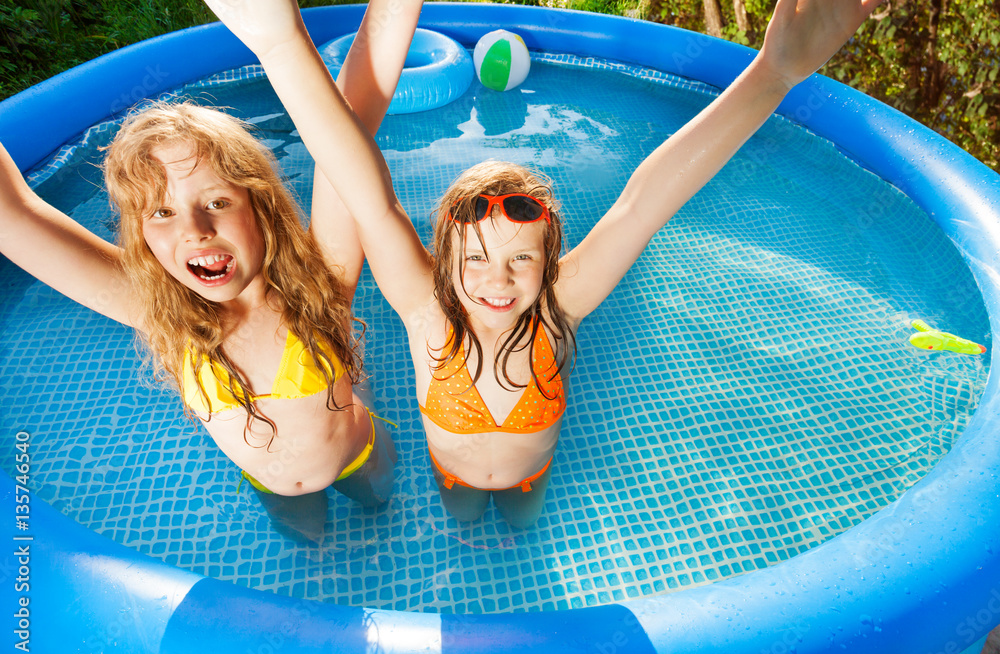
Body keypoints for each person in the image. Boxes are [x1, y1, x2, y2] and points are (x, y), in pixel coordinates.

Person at [205, 0, 883, 528]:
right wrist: (280, 48)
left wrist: (775, 74)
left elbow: (645, 202)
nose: (496, 280)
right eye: (474, 258)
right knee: (466, 517)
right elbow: (366, 192)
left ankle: (516, 517)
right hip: (452, 472)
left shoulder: (560, 307)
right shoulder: (424, 312)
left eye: (520, 258)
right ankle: (471, 521)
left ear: (549, 260)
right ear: (443, 260)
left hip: (534, 472)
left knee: (523, 519)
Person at [0, 0, 424, 544]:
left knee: (383, 511)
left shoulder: (320, 289)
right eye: (162, 212)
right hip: (270, 483)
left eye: (217, 201)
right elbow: (15, 216)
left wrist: (296, 38)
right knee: (311, 548)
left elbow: (357, 114)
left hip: (356, 452)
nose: (194, 229)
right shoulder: (160, 315)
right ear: (142, 238)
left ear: (261, 208)